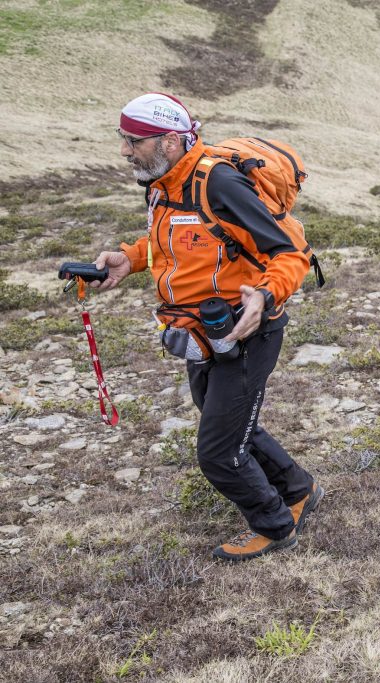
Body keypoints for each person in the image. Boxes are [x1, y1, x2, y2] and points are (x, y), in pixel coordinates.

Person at [92, 92, 324, 561]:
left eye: (133, 141)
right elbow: (180, 242)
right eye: (123, 139)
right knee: (225, 420)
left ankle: (275, 525)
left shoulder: (217, 184)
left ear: (172, 140)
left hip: (245, 332)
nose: (124, 151)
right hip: (200, 333)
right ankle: (298, 489)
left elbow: (288, 253)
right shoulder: (164, 183)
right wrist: (131, 258)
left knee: (218, 453)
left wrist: (265, 294)